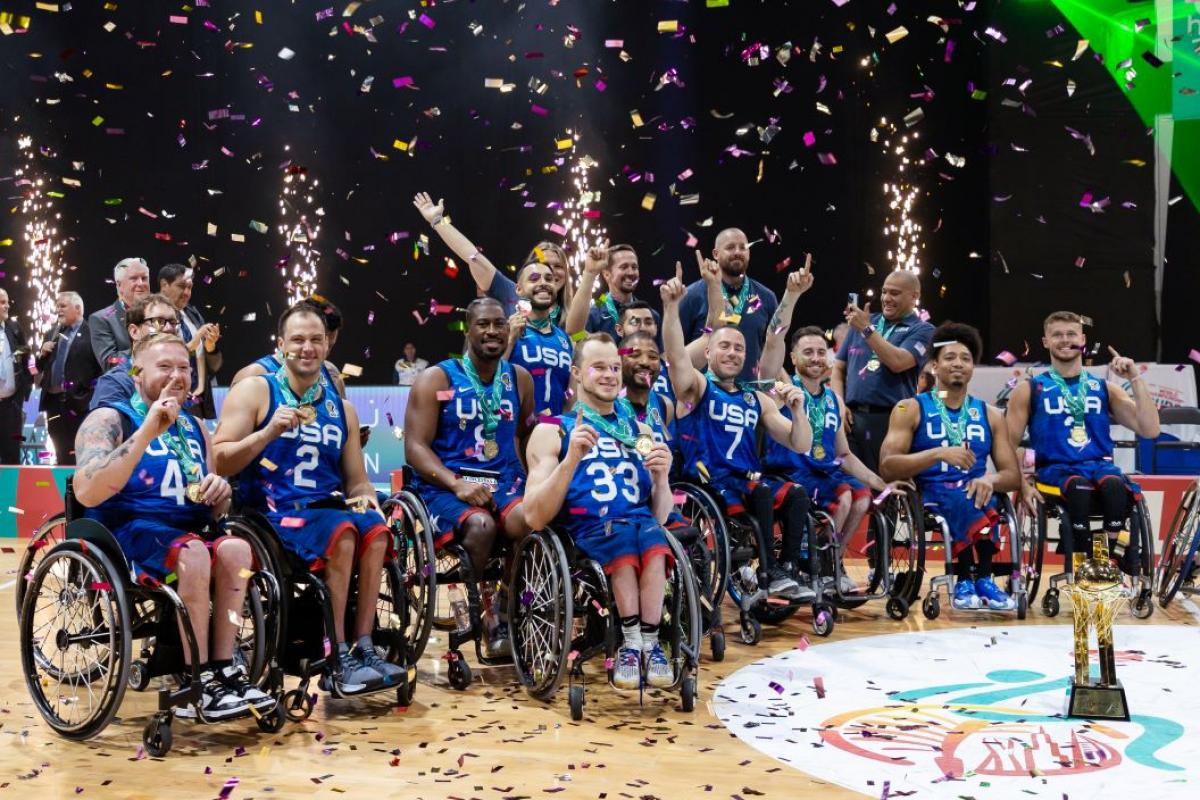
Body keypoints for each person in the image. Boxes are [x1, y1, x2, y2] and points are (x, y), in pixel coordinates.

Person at [73, 333, 272, 719]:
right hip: (130, 531)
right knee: (193, 551)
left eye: (183, 367)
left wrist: (219, 493)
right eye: (164, 367)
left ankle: (224, 666)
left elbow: (215, 508)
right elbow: (87, 490)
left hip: (188, 529)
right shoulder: (110, 418)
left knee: (236, 549)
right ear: (136, 373)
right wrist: (148, 429)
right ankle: (194, 677)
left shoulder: (196, 427)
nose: (177, 375)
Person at [213, 302, 403, 693]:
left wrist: (366, 496)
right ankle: (336, 655)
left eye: (316, 340)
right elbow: (218, 458)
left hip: (327, 512)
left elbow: (357, 481)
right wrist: (266, 434)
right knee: (345, 532)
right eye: (297, 340)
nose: (307, 348)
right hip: (271, 515)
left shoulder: (342, 408)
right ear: (281, 346)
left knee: (376, 527)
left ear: (327, 346)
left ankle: (363, 646)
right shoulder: (256, 389)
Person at [523, 334, 678, 690]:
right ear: (576, 373)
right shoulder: (553, 430)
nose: (609, 375)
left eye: (614, 368)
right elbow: (534, 516)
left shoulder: (638, 432)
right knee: (623, 535)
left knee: (656, 536)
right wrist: (571, 460)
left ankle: (651, 645)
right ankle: (630, 644)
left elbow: (661, 514)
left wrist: (662, 478)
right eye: (598, 367)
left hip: (640, 526)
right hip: (590, 532)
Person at [661, 265, 814, 600]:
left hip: (744, 481)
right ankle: (767, 570)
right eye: (725, 346)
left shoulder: (756, 398)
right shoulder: (697, 389)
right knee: (760, 491)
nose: (732, 353)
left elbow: (800, 443)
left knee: (797, 494)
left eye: (739, 349)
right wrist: (671, 308)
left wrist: (799, 412)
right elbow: (675, 357)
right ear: (709, 352)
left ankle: (787, 570)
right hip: (708, 481)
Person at [403, 298, 535, 657]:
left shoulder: (520, 379)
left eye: (499, 324)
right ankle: (472, 606)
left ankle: (503, 605)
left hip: (503, 482)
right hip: (446, 484)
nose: (492, 331)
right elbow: (414, 447)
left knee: (533, 518)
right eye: (483, 324)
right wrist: (456, 483)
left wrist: (533, 478)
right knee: (480, 527)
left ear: (509, 330)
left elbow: (523, 438)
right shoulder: (438, 378)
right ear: (468, 329)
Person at [879, 322, 1022, 610]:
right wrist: (937, 454)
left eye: (965, 359)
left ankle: (979, 579)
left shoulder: (991, 414)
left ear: (973, 367)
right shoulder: (910, 408)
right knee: (963, 496)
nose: (958, 364)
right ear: (933, 365)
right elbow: (888, 466)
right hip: (931, 492)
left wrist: (990, 481)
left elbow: (1012, 476)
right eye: (950, 357)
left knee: (982, 494)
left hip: (978, 491)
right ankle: (973, 578)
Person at [1004, 311, 1160, 571]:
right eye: (1057, 335)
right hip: (1056, 470)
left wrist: (1134, 378)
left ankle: (1107, 555)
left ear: (1083, 339)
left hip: (1098, 466)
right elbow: (1006, 445)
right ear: (1045, 342)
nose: (1065, 340)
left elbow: (1150, 429)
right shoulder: (1030, 389)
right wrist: (1023, 483)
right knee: (1078, 489)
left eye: (1071, 334)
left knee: (1114, 486)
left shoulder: (1104, 387)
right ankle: (1084, 556)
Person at [763, 326, 896, 595]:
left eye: (821, 352)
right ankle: (818, 562)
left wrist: (877, 480)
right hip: (790, 472)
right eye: (808, 352)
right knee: (845, 496)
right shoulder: (782, 392)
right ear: (792, 357)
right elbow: (768, 367)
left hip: (823, 472)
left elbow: (843, 454)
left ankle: (833, 559)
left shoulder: (834, 399)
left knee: (862, 496)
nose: (815, 358)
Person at [832, 270, 935, 474]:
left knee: (883, 485)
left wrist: (867, 330)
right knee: (852, 484)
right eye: (884, 292)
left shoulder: (923, 330)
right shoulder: (863, 322)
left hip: (891, 420)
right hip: (850, 418)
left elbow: (897, 362)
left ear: (914, 296)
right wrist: (838, 403)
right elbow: (838, 367)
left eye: (895, 293)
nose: (886, 298)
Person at [413, 191, 572, 321]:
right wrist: (437, 220)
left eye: (558, 266)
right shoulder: (511, 292)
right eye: (543, 265)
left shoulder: (580, 310)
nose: (549, 272)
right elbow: (472, 255)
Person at [676, 228, 779, 382]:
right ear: (715, 254)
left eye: (743, 247)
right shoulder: (691, 296)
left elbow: (771, 348)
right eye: (730, 247)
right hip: (702, 396)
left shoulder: (766, 297)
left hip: (749, 399)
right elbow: (675, 351)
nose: (738, 252)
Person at [230, 296, 346, 398]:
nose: (325, 352)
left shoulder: (332, 374)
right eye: (300, 339)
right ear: (281, 343)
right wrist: (271, 424)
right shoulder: (253, 375)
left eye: (329, 346)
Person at [36, 292, 101, 465]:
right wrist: (42, 354)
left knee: (81, 453)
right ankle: (62, 490)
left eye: (62, 306)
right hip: (54, 404)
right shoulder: (52, 333)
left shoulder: (93, 333)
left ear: (78, 308)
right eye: (57, 306)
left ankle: (80, 490)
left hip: (80, 405)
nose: (58, 310)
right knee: (60, 453)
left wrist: (88, 396)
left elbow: (101, 370)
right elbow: (38, 368)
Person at [503, 261, 574, 417]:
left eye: (549, 279)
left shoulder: (565, 340)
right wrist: (509, 341)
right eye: (534, 278)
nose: (543, 283)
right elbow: (487, 378)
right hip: (515, 431)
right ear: (518, 289)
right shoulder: (504, 330)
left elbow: (571, 394)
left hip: (555, 431)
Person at [89, 293, 181, 411]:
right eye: (158, 321)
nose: (169, 328)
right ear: (134, 332)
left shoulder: (177, 378)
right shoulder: (114, 384)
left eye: (173, 322)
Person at [159, 263, 222, 419]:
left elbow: (212, 365)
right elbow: (159, 356)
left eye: (190, 287)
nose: (186, 292)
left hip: (197, 400)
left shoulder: (192, 312)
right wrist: (194, 342)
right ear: (164, 285)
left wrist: (210, 346)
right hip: (170, 396)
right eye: (181, 286)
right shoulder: (153, 314)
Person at [564, 243, 660, 339]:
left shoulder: (651, 316)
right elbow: (575, 337)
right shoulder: (594, 313)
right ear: (606, 274)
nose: (631, 272)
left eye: (634, 267)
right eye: (624, 267)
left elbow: (661, 353)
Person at [89, 256, 151, 369]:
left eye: (144, 278)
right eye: (134, 278)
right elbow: (110, 361)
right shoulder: (102, 319)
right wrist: (148, 346)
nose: (141, 283)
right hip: (128, 383)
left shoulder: (159, 312)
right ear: (119, 285)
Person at [0, 289, 34, 464]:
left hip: (12, 405)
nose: (7, 306)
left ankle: (11, 491)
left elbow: (26, 352)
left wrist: (25, 390)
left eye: (7, 302)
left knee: (12, 454)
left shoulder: (14, 328)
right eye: (2, 302)